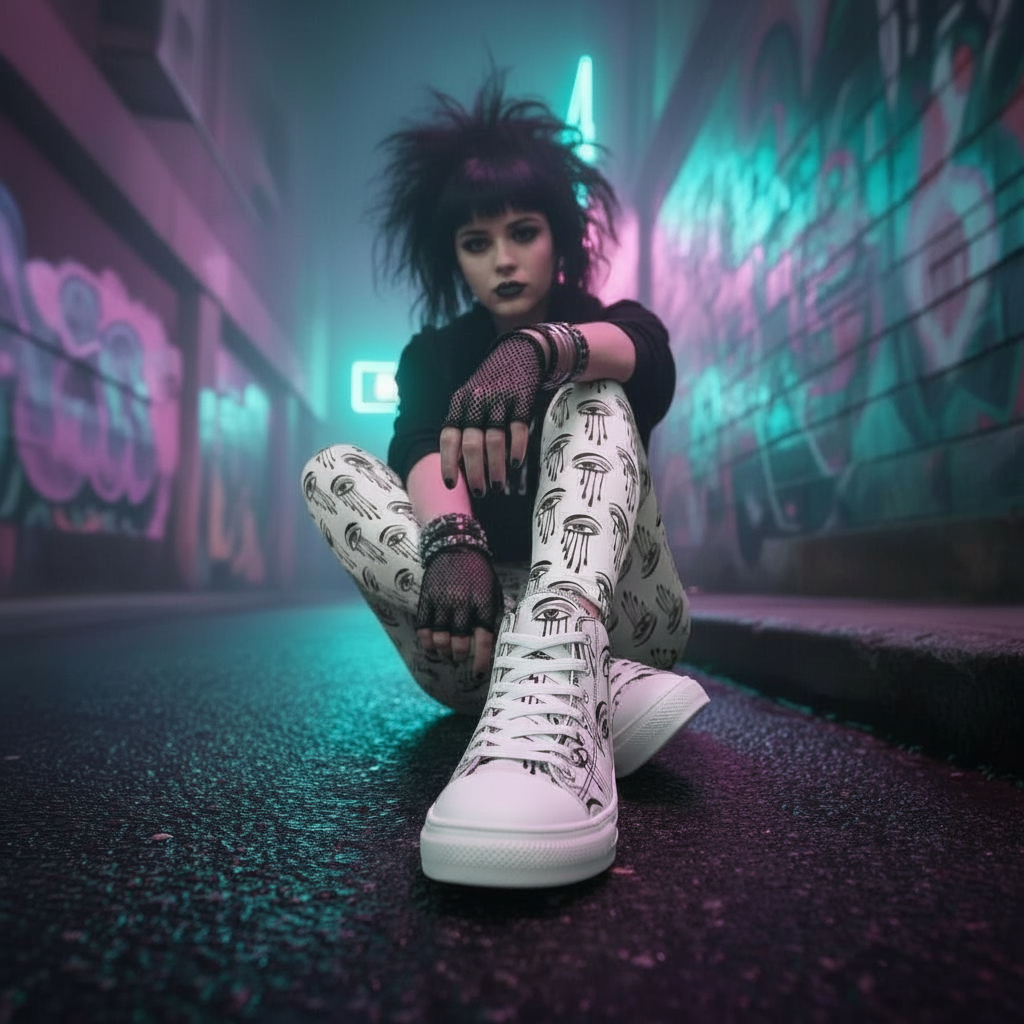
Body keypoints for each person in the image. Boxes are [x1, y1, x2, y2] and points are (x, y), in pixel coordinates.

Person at [301, 71, 708, 888]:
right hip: (473, 631)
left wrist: (538, 350)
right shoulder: (431, 357)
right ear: (453, 257)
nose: (503, 259)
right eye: (476, 244)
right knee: (332, 472)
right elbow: (418, 442)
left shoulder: (607, 319)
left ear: (559, 238)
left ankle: (568, 672)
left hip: (625, 614)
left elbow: (648, 356)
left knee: (593, 384)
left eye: (523, 232)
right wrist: (452, 541)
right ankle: (575, 697)